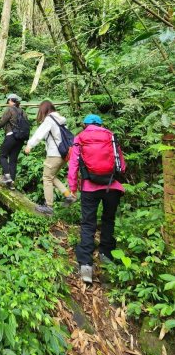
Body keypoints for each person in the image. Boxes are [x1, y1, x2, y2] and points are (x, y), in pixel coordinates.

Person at [68, 114, 126, 284]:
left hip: (89, 188)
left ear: (85, 124)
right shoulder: (110, 136)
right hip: (112, 187)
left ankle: (86, 266)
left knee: (88, 223)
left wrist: (72, 188)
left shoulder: (80, 137)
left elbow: (73, 165)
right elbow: (121, 165)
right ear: (101, 124)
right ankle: (106, 255)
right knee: (108, 220)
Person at [24, 100, 76, 215]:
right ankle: (68, 196)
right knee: (51, 176)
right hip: (63, 154)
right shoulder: (61, 120)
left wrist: (29, 145)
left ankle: (49, 206)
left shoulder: (49, 120)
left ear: (44, 110)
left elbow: (39, 133)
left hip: (54, 154)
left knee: (47, 178)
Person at [0, 94, 29, 189]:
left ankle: (7, 176)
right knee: (13, 160)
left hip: (11, 136)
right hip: (21, 139)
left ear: (11, 100)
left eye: (8, 101)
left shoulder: (10, 109)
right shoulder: (23, 112)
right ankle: (11, 184)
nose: (8, 103)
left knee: (3, 156)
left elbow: (2, 122)